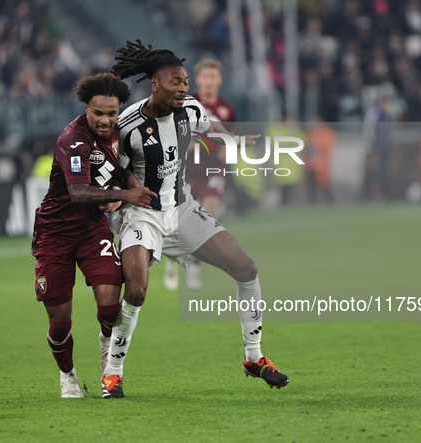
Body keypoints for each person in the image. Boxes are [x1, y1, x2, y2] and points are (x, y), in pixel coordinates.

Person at [101, 40, 289, 398]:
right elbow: (115, 171)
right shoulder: (127, 127)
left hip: (183, 209)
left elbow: (210, 124)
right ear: (155, 84)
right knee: (137, 292)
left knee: (246, 269)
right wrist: (120, 196)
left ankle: (254, 357)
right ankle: (113, 372)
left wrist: (234, 140)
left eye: (185, 81)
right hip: (143, 215)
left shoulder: (189, 108)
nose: (183, 87)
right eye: (176, 81)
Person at [31, 72, 157, 398]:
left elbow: (111, 164)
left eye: (111, 113)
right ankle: (67, 374)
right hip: (55, 234)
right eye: (98, 113)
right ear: (86, 107)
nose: (105, 120)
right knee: (60, 323)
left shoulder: (117, 131)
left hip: (92, 230)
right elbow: (79, 193)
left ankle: (107, 350)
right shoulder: (71, 140)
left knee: (110, 307)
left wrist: (126, 180)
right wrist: (126, 197)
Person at [163, 58, 236, 291]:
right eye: (205, 76)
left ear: (219, 80)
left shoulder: (226, 109)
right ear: (198, 79)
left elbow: (229, 138)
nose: (208, 81)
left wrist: (229, 148)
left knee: (207, 217)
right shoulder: (185, 104)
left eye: (213, 77)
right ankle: (173, 258)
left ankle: (194, 268)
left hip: (212, 169)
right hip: (185, 170)